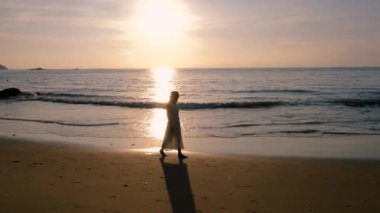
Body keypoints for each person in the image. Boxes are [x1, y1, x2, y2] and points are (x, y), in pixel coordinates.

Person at [160, 91, 188, 158]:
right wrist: (171, 125)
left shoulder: (176, 104)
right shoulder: (169, 105)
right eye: (177, 96)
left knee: (178, 137)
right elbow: (168, 115)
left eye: (178, 96)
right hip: (171, 122)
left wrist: (178, 122)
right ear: (174, 96)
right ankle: (161, 150)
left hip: (177, 122)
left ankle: (179, 153)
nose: (178, 97)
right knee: (168, 137)